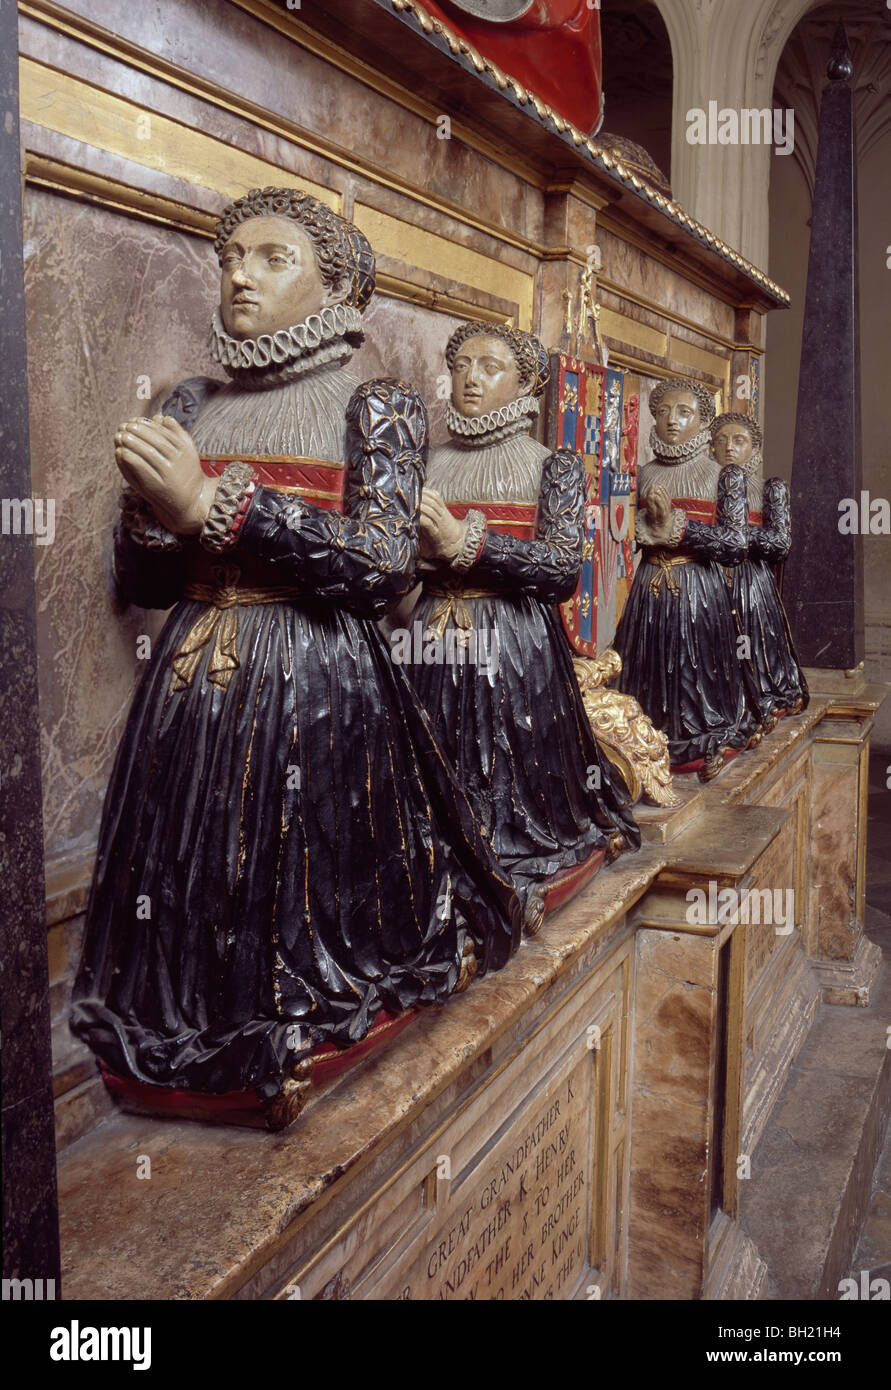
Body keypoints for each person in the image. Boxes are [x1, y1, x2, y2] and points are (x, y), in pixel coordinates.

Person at [71, 187, 521, 1128]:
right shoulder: (192, 401)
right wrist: (156, 524)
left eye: (271, 256)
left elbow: (383, 566)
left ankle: (289, 1020)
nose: (238, 270)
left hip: (317, 675)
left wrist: (217, 510)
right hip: (194, 672)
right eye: (229, 252)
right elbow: (144, 582)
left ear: (339, 285)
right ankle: (180, 1025)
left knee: (295, 869)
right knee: (186, 860)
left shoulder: (377, 405)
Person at [395, 321, 639, 930]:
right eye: (461, 365)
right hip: (430, 631)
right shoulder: (426, 458)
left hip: (514, 641)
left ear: (528, 381)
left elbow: (560, 569)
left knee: (502, 770)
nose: (470, 378)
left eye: (489, 366)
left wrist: (467, 542)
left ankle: (504, 852)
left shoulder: (551, 466)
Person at [613, 377, 760, 780]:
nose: (672, 422)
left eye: (684, 413)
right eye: (662, 413)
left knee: (696, 674)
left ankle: (700, 736)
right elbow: (619, 532)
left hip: (699, 589)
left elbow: (735, 544)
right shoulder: (640, 474)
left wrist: (677, 528)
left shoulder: (723, 476)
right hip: (649, 588)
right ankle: (646, 737)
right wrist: (645, 525)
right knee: (645, 670)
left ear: (702, 421)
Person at [711, 412, 808, 729]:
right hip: (709, 577)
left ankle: (761, 697)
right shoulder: (704, 484)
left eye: (739, 441)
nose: (729, 447)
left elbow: (780, 543)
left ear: (754, 447)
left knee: (754, 648)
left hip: (751, 581)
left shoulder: (769, 488)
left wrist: (737, 536)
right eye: (722, 440)